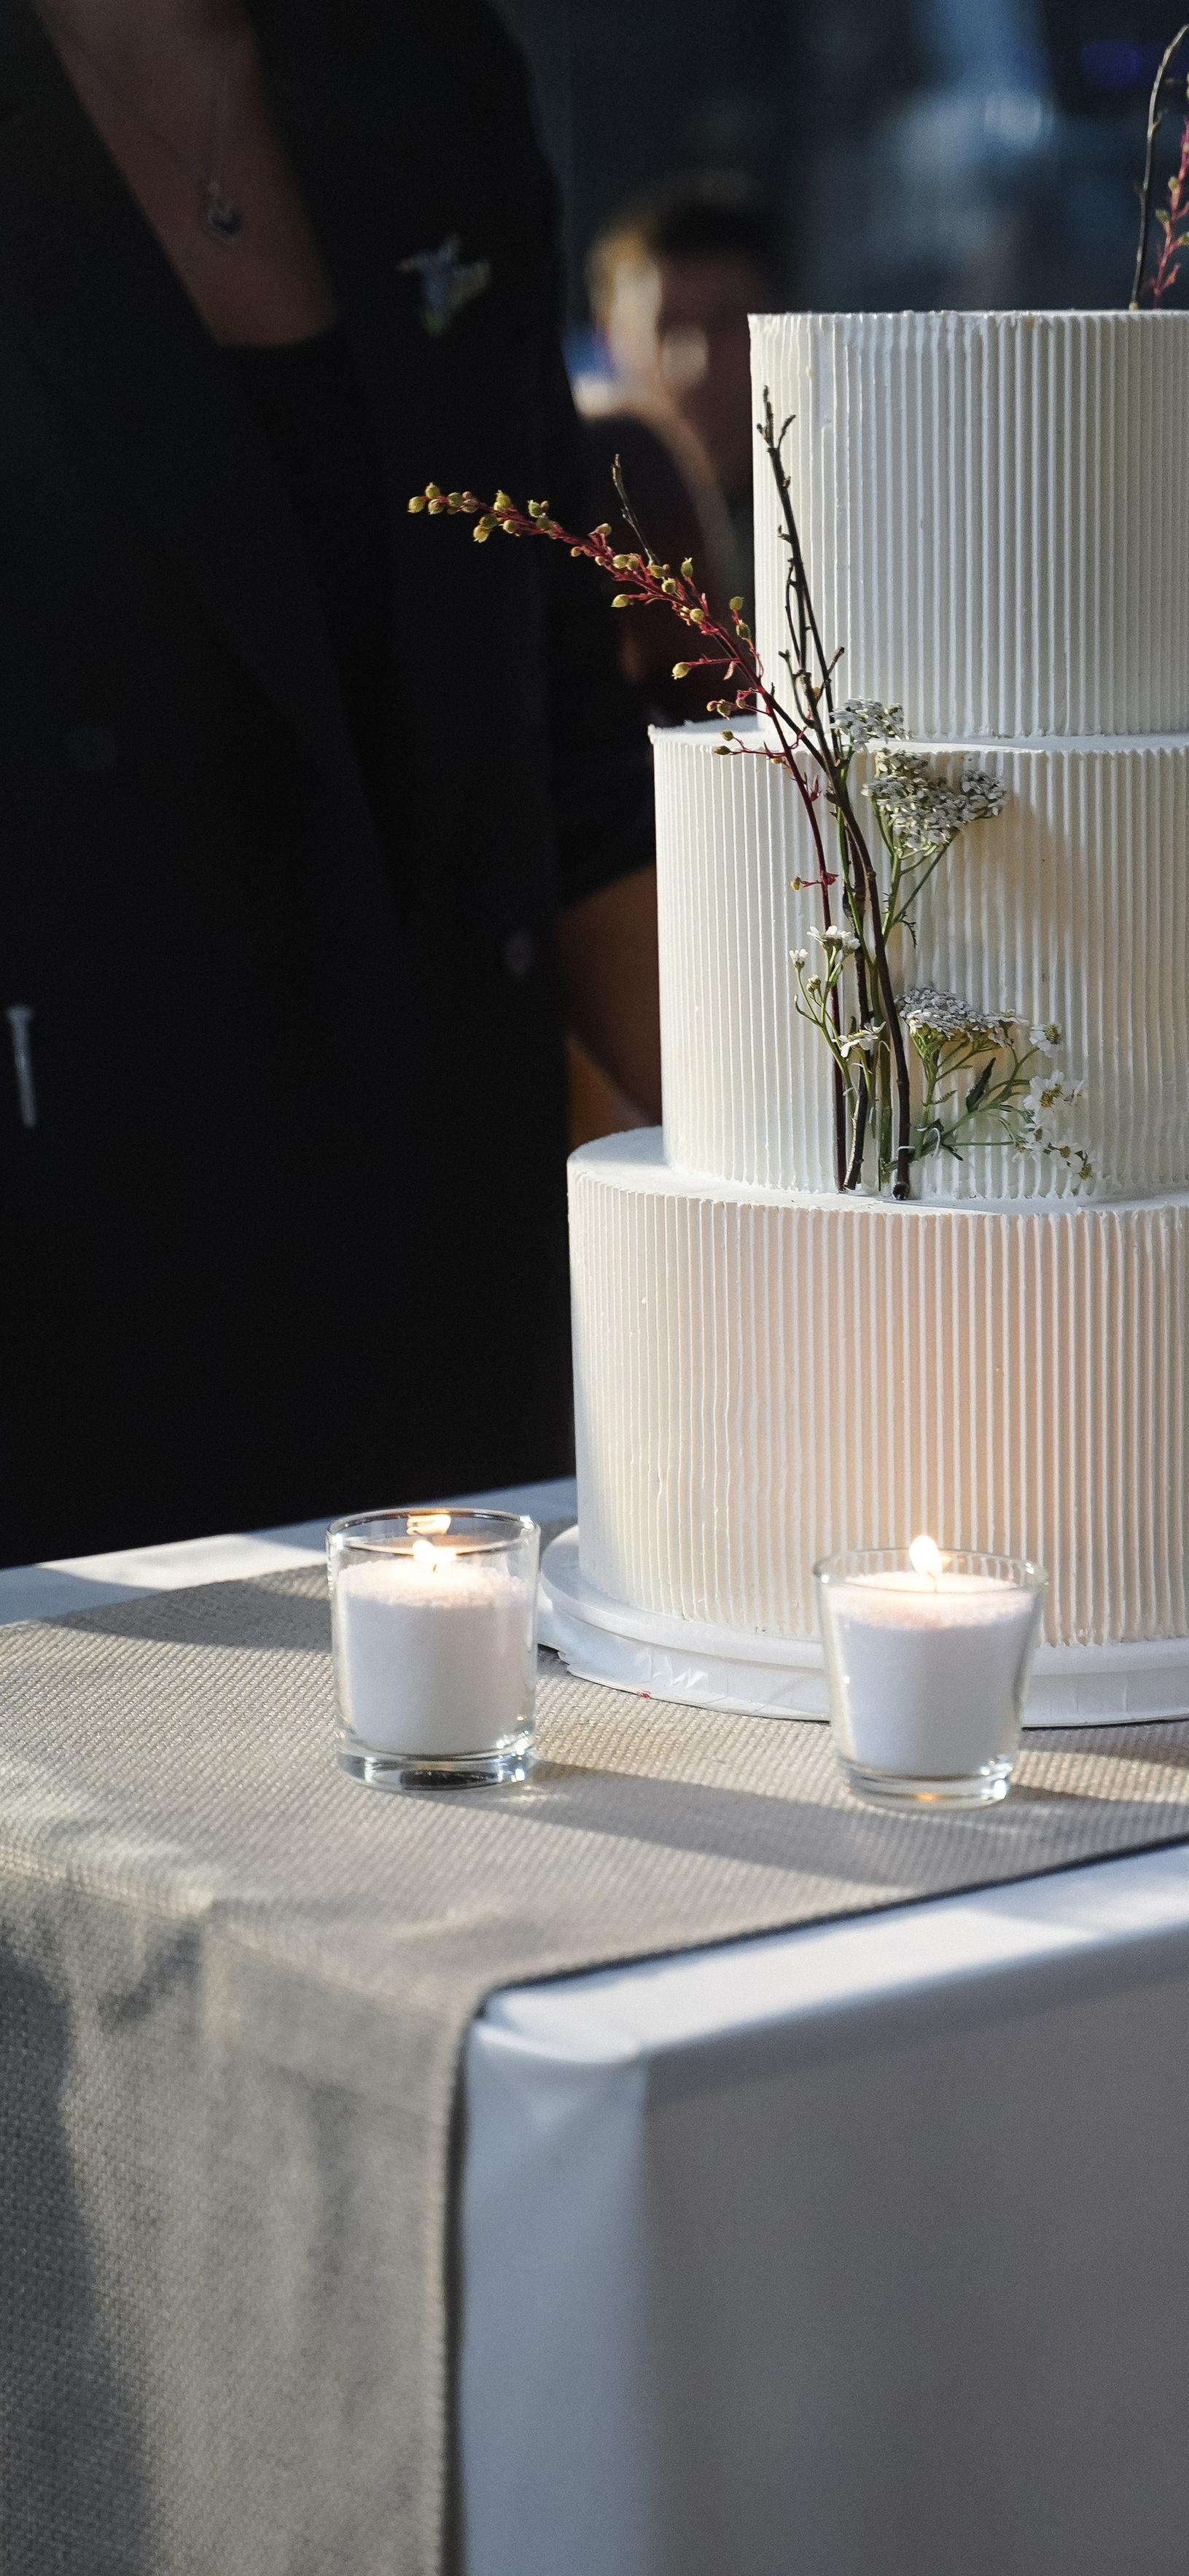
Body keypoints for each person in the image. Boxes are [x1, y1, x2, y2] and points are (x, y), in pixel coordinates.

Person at [0, 0, 660, 1564]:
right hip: (75, 1292)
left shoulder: (426, 66)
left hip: (451, 1275)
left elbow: (560, 729)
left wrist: (825, 1205)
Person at [585, 172, 784, 622]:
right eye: (667, 327)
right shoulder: (579, 523)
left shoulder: (841, 518)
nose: (698, 365)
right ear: (606, 337)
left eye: (728, 323)